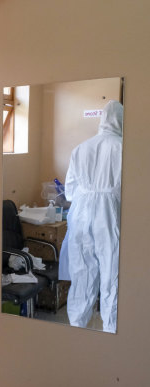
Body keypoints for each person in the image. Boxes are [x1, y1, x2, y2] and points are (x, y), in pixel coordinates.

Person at [61, 100, 123, 333]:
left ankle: (77, 328)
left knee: (82, 273)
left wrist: (87, 195)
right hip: (110, 213)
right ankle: (111, 329)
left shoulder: (81, 148)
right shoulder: (123, 148)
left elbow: (69, 190)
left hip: (81, 212)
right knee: (112, 274)